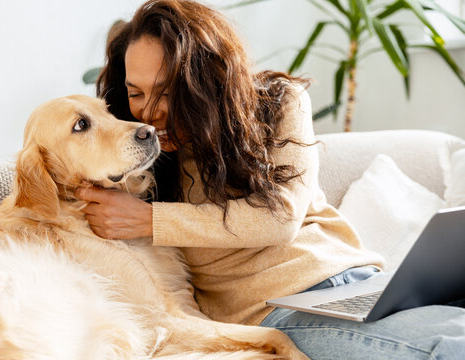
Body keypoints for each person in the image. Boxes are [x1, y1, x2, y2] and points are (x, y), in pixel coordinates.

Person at [75, 0, 465, 358]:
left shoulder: (279, 102)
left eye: (168, 91)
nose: (150, 112)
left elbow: (281, 218)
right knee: (446, 347)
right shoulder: (137, 154)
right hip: (275, 312)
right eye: (136, 93)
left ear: (205, 79)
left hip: (360, 281)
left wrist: (149, 220)